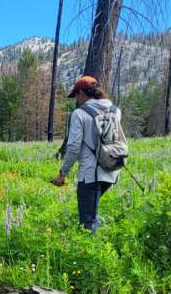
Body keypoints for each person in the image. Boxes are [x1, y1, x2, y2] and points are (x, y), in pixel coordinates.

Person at [51, 75, 125, 231]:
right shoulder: (115, 111)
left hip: (90, 174)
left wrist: (62, 173)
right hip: (111, 171)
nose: (76, 100)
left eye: (76, 96)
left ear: (82, 94)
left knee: (88, 223)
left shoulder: (79, 114)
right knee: (91, 213)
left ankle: (93, 251)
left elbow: (73, 148)